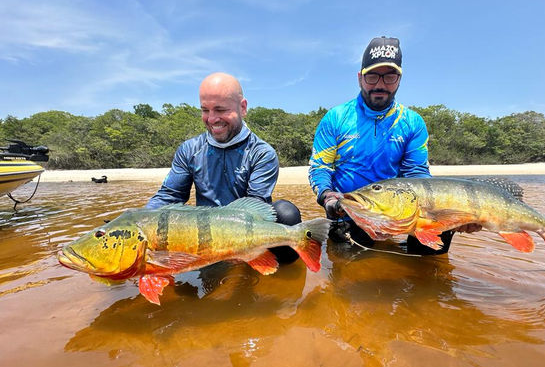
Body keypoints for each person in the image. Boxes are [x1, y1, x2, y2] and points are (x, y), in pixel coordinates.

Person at [308, 37, 479, 254]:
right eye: (372, 76)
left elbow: (416, 174)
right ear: (360, 78)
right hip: (351, 214)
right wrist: (328, 197)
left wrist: (455, 216)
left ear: (399, 79)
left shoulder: (412, 122)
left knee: (438, 242)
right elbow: (320, 168)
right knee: (347, 263)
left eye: (389, 77)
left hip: (399, 213)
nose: (380, 85)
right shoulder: (335, 118)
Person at [147, 72, 300, 262]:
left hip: (247, 228)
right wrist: (138, 224)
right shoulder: (189, 150)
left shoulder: (262, 153)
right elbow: (169, 196)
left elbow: (255, 206)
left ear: (242, 108)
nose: (212, 119)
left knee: (287, 214)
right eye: (205, 110)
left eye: (220, 110)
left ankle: (273, 271)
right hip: (205, 235)